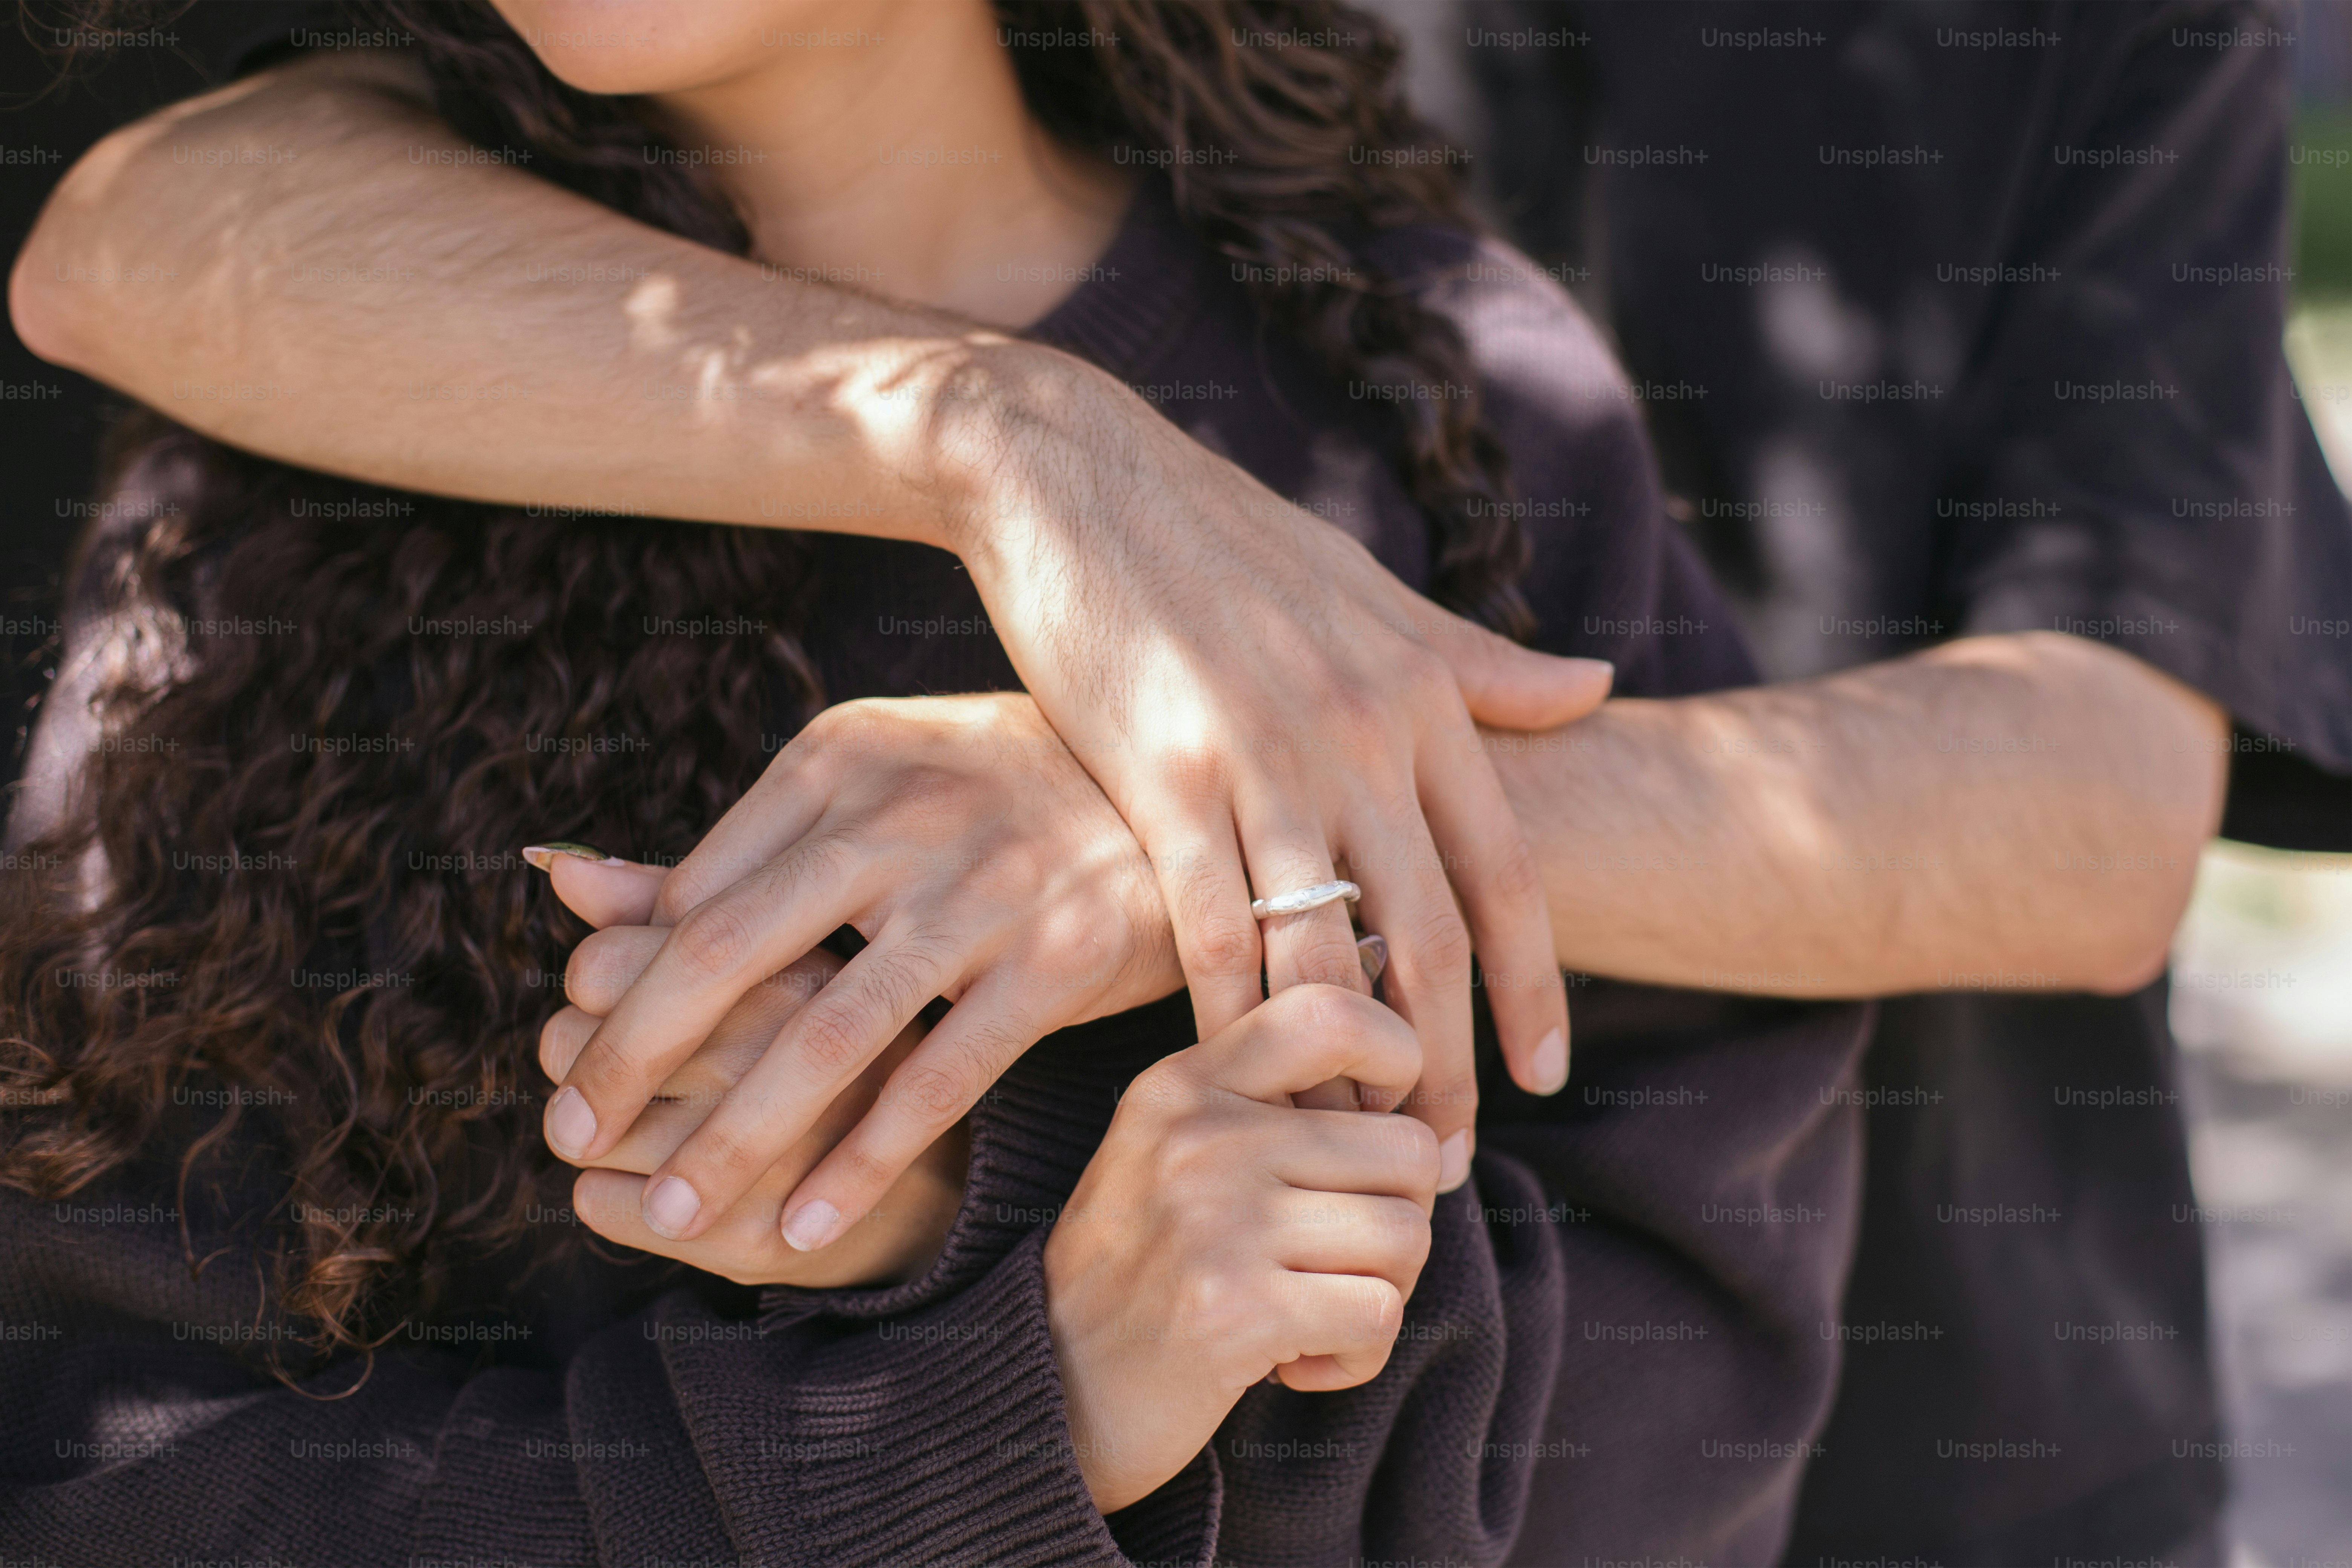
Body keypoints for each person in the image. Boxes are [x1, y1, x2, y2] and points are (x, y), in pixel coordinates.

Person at [5, 0, 2240, 1560]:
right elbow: (120, 1473)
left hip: (1993, 1425)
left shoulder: (1445, 381)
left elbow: (2103, 803)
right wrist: (1008, 1383)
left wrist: (1199, 833)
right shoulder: (311, 467)